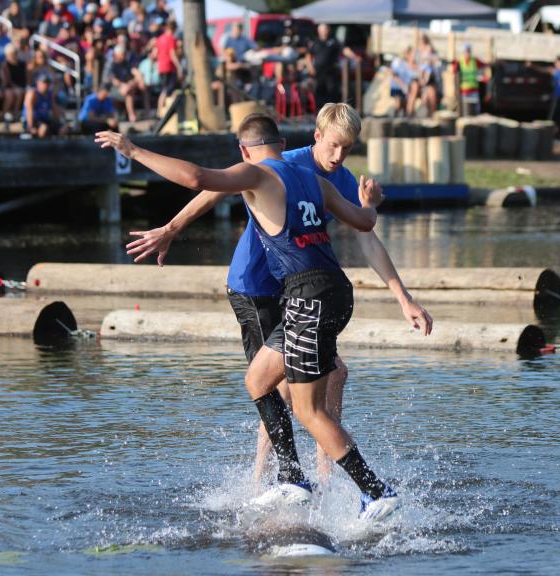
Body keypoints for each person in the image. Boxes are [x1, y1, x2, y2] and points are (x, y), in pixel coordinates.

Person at [97, 114, 421, 522]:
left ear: (244, 151)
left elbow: (197, 177)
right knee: (259, 379)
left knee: (308, 411)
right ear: (283, 143)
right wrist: (370, 203)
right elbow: (364, 222)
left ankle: (376, 492)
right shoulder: (313, 179)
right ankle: (292, 478)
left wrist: (134, 150)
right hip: (332, 292)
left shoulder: (259, 173)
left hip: (307, 297)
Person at [306, 23, 357, 108]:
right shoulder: (315, 42)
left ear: (328, 30)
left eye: (326, 29)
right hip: (318, 72)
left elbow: (345, 50)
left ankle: (332, 114)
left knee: (332, 92)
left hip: (331, 71)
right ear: (319, 31)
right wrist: (310, 67)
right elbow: (308, 56)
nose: (324, 31)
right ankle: (320, 112)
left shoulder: (334, 41)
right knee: (319, 91)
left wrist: (355, 57)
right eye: (322, 30)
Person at [22, 72, 60, 137]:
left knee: (63, 129)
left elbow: (55, 109)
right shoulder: (32, 93)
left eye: (48, 83)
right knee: (43, 128)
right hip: (33, 121)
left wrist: (59, 122)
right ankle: (39, 146)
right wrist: (30, 127)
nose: (46, 85)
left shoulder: (50, 94)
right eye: (44, 83)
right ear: (38, 83)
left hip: (44, 120)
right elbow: (29, 111)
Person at [155, 20, 181, 114]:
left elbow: (156, 53)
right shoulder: (171, 39)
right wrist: (179, 67)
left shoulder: (159, 39)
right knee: (169, 89)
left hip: (161, 67)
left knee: (165, 89)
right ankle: (162, 110)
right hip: (169, 67)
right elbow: (172, 53)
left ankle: (161, 110)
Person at [453, 43, 484, 116]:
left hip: (474, 90)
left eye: (469, 51)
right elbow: (454, 72)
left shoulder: (474, 60)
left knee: (475, 110)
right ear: (463, 52)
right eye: (466, 51)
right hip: (464, 91)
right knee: (465, 110)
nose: (467, 53)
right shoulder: (460, 62)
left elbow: (484, 65)